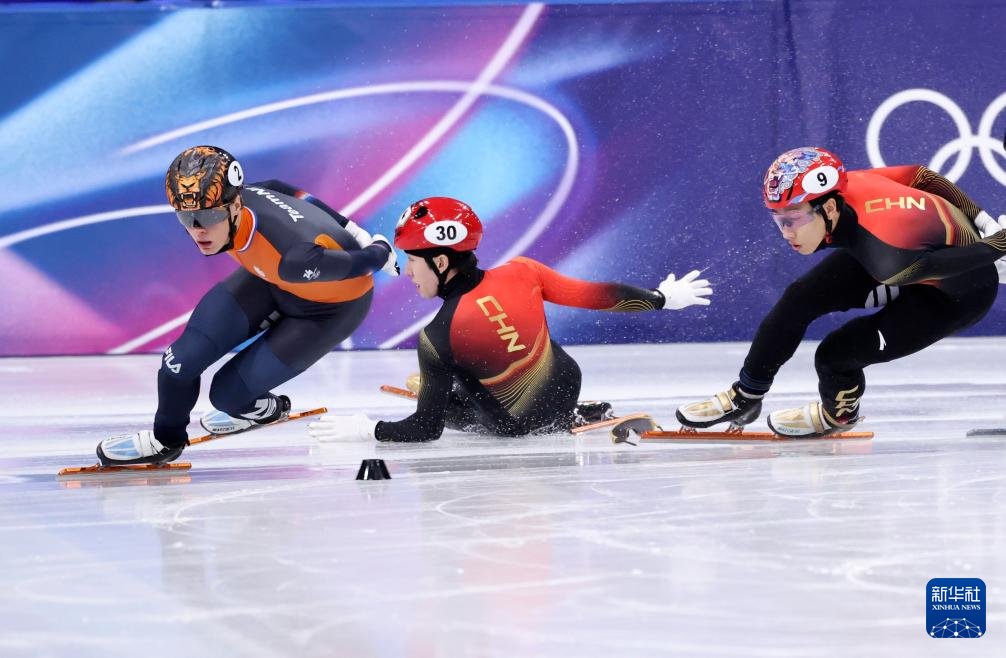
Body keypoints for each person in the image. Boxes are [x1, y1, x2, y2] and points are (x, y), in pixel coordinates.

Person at [307, 196, 712, 443]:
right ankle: (565, 410)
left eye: (412, 261)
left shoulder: (437, 334)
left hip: (513, 424)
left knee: (442, 386)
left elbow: (425, 429)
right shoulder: (524, 271)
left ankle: (445, 389)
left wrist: (368, 429)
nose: (408, 272)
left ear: (441, 262)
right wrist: (661, 299)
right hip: (567, 387)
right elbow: (598, 296)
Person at [96, 145, 398, 466]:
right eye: (186, 217)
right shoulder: (244, 194)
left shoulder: (293, 256)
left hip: (329, 310)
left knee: (227, 396)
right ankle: (165, 441)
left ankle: (268, 408)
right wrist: (349, 227)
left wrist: (378, 246)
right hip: (270, 279)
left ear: (236, 206)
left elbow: (364, 264)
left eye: (210, 216)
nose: (199, 230)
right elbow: (281, 188)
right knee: (179, 362)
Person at [676, 146, 1002, 438]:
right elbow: (921, 175)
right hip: (910, 252)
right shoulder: (852, 184)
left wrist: (997, 243)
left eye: (794, 219)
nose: (787, 233)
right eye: (779, 220)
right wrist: (983, 219)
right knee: (798, 299)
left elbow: (938, 261)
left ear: (830, 208)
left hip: (955, 295)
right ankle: (746, 395)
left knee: (835, 356)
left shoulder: (887, 259)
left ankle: (839, 415)